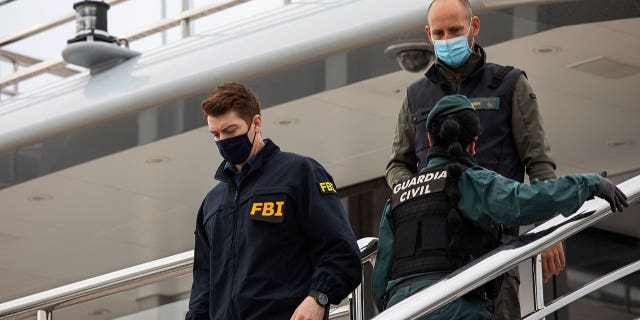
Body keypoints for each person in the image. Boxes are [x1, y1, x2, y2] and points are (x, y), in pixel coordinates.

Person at [373, 94, 628, 319]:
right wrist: (590, 183)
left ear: (429, 140)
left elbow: (379, 280)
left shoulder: (398, 196)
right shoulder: (473, 181)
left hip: (402, 311)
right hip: (457, 308)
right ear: (474, 142)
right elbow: (529, 200)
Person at [385, 0, 562, 317]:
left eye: (455, 30)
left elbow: (539, 162)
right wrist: (420, 192)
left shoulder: (510, 84)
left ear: (474, 26)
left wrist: (550, 228)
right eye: (438, 32)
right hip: (431, 255)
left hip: (493, 248)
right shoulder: (415, 96)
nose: (446, 38)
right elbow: (398, 163)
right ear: (428, 34)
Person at [185, 82, 362, 320]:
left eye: (230, 131)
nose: (222, 141)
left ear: (256, 123)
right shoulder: (212, 204)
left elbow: (342, 254)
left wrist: (318, 297)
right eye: (215, 135)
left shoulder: (299, 174)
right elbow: (203, 290)